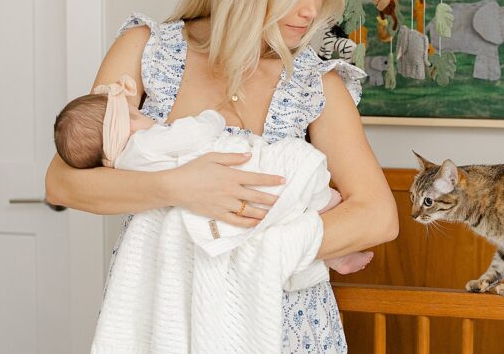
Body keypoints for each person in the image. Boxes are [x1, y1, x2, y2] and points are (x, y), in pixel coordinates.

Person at [45, 0, 399, 354]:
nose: (311, 10)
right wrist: (177, 186)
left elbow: (379, 215)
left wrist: (258, 247)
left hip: (285, 339)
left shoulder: (317, 84)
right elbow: (63, 181)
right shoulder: (145, 52)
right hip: (166, 332)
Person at [51, 78, 371, 271]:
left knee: (288, 216)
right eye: (136, 114)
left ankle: (334, 257)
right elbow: (193, 136)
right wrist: (210, 118)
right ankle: (327, 210)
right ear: (127, 125)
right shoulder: (146, 144)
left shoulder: (124, 168)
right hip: (240, 177)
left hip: (216, 214)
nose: (145, 117)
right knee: (294, 171)